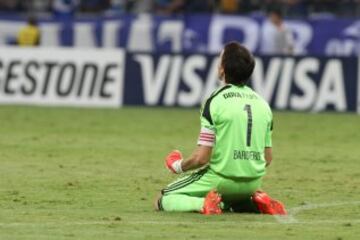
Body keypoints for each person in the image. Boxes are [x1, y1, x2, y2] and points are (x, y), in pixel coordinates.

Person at [154, 41, 287, 215]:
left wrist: (177, 165)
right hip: (253, 183)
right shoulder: (263, 105)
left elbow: (201, 158)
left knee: (162, 199)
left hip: (220, 180)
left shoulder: (215, 101)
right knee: (231, 200)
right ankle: (254, 203)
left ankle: (203, 204)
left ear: (222, 69)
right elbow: (267, 159)